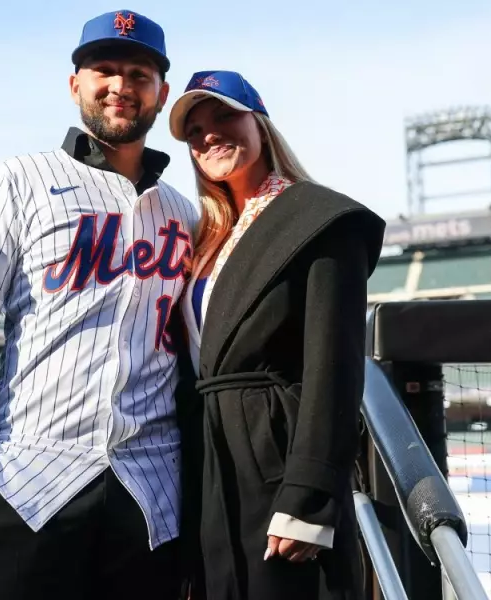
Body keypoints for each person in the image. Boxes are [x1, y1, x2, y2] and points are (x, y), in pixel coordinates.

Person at [0, 10, 198, 600]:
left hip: (151, 488)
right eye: (104, 69)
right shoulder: (17, 179)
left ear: (160, 94)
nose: (120, 86)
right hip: (25, 478)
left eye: (139, 74)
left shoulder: (184, 212)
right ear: (74, 83)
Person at [168, 70, 386, 600]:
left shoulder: (320, 218)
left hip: (277, 459)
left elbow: (334, 368)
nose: (210, 135)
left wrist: (309, 496)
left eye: (224, 116)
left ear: (260, 123)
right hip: (206, 461)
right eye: (195, 131)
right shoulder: (205, 236)